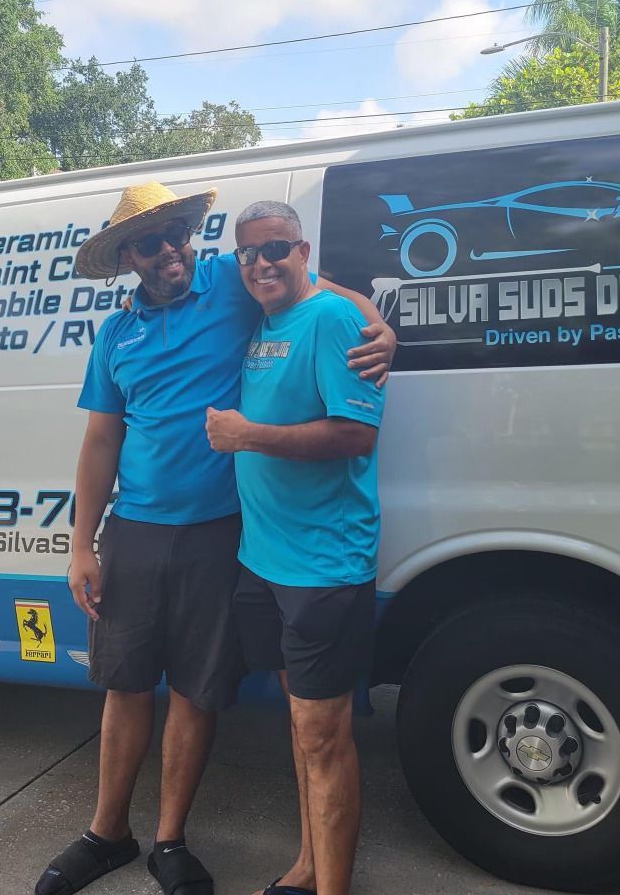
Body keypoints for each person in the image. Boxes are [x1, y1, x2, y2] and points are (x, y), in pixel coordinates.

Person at [35, 182, 395, 895]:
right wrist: (81, 543)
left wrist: (381, 326)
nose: (169, 249)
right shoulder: (116, 335)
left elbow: (317, 284)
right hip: (136, 529)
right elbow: (101, 441)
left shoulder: (233, 276)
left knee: (195, 692)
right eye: (150, 241)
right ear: (128, 257)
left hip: (222, 531)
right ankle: (107, 834)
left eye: (177, 233)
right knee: (126, 685)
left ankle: (170, 842)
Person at [205, 200, 386, 895]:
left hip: (322, 565)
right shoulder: (265, 318)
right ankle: (309, 867)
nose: (261, 263)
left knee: (324, 736)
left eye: (276, 248)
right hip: (264, 561)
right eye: (248, 253)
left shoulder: (330, 320)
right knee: (302, 725)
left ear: (303, 251)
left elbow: (355, 435)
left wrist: (247, 435)